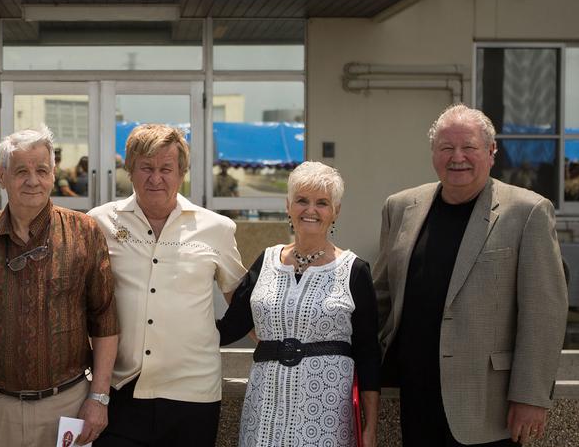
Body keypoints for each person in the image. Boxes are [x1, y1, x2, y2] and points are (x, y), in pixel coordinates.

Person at [373, 104, 568, 446]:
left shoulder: (528, 212)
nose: (457, 157)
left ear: (492, 152)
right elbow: (381, 298)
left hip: (487, 406)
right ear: (433, 154)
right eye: (446, 148)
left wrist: (532, 396)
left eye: (469, 147)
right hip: (415, 396)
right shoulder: (401, 206)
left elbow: (544, 312)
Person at [0, 124, 119, 447]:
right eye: (20, 170)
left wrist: (100, 398)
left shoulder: (85, 233)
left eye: (41, 170)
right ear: (2, 176)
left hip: (68, 407)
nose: (32, 180)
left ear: (53, 174)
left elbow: (105, 321)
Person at [88, 124, 246, 447]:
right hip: (121, 391)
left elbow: (243, 304)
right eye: (146, 168)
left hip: (194, 396)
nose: (155, 178)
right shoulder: (98, 223)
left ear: (182, 172)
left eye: (166, 169)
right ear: (130, 170)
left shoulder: (216, 229)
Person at [217, 161, 381, 447]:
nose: (311, 210)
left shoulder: (354, 270)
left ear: (336, 211)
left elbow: (368, 354)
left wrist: (370, 428)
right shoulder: (265, 262)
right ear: (288, 205)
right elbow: (230, 328)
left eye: (322, 203)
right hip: (264, 412)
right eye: (302, 200)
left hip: (326, 415)